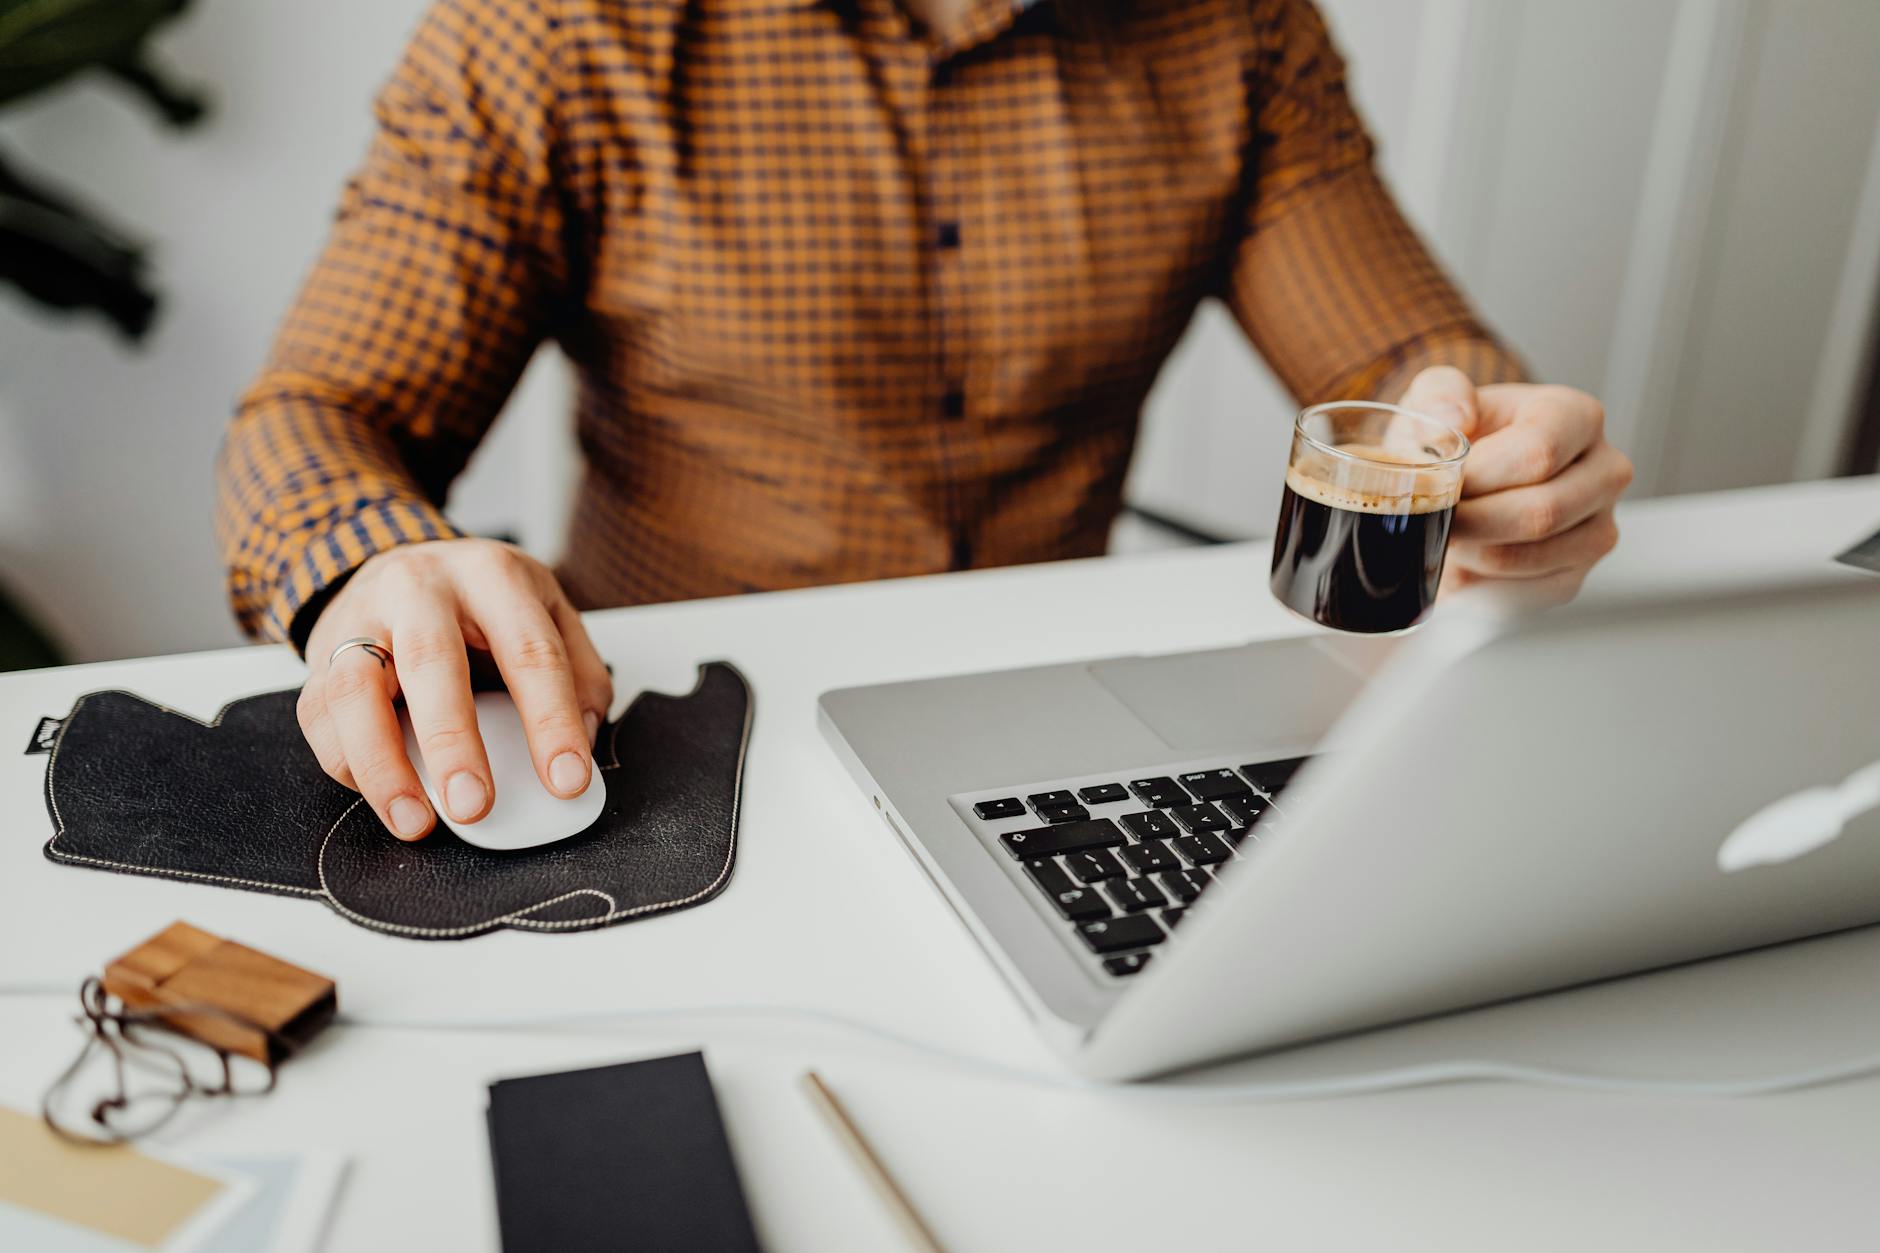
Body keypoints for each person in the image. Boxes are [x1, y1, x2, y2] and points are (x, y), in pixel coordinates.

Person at [216, 0, 1633, 841]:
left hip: (1069, 746)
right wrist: (371, 566)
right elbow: (322, 414)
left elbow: (1400, 351)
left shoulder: (1237, 25)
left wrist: (1494, 442)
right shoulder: (560, 30)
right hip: (671, 755)